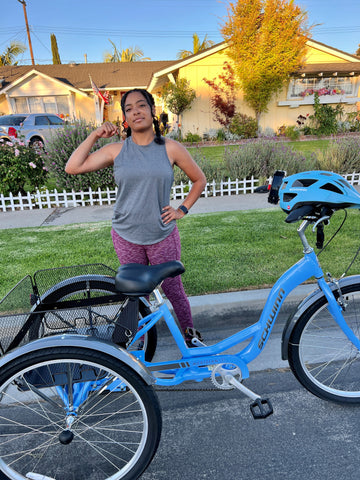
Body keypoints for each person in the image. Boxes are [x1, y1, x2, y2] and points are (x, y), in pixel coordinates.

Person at [65, 88, 207, 347]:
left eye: (141, 106)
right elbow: (73, 167)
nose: (135, 111)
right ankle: (133, 349)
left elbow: (199, 180)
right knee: (135, 295)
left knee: (174, 291)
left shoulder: (171, 148)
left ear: (153, 111)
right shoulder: (116, 150)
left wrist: (182, 209)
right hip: (126, 236)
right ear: (125, 119)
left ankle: (191, 341)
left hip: (161, 235)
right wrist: (95, 134)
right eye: (129, 109)